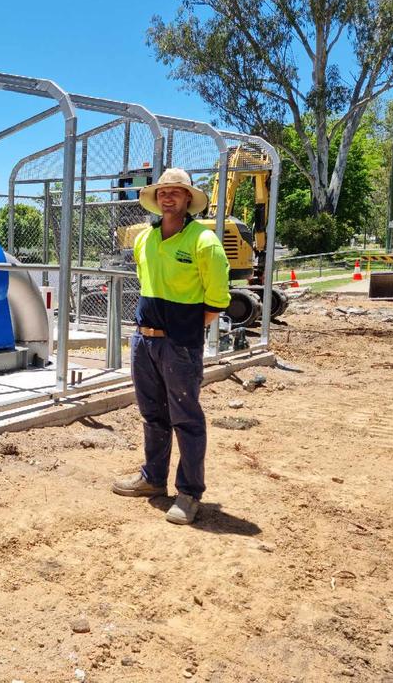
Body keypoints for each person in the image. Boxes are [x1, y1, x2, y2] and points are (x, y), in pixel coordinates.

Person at [112, 168, 230, 525]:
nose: (168, 197)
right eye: (163, 192)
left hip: (179, 346)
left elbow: (217, 298)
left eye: (176, 192)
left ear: (188, 200)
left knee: (186, 419)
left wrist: (185, 329)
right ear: (156, 197)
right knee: (153, 414)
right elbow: (146, 282)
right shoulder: (144, 240)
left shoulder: (203, 241)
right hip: (143, 341)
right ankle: (153, 479)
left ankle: (190, 492)